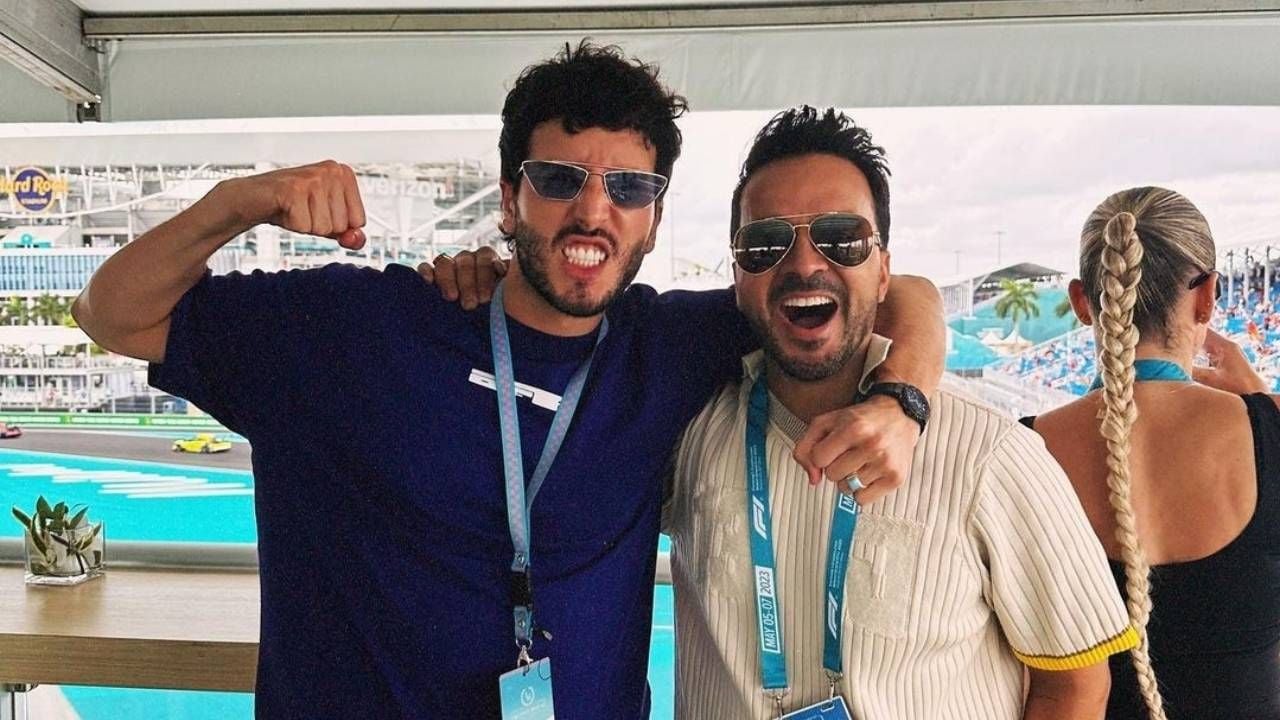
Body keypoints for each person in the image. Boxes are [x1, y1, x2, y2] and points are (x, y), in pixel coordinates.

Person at [70, 44, 942, 718]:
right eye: (558, 181)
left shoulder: (668, 345)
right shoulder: (354, 329)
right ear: (508, 198)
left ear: (654, 217)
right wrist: (240, 202)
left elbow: (884, 288)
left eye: (628, 186)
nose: (593, 211)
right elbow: (112, 312)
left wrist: (903, 397)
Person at [433, 107, 1137, 720]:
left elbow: (1076, 681)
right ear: (737, 278)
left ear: (884, 270)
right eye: (766, 243)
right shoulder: (689, 432)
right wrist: (498, 278)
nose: (804, 264)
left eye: (842, 238)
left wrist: (906, 398)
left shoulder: (990, 454)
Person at [1023, 187, 1280, 720]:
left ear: (1082, 302)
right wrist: (1262, 403)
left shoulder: (1024, 449)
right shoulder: (1269, 431)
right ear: (1207, 297)